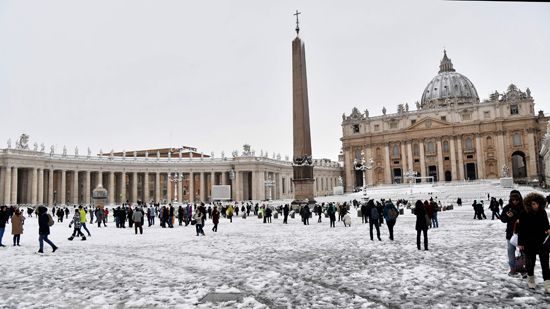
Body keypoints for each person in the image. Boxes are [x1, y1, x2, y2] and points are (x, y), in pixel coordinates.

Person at [518, 193, 550, 293]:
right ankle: (531, 280)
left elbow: (546, 224)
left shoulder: (542, 212)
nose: (536, 206)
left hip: (542, 241)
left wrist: (548, 229)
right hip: (529, 242)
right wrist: (521, 243)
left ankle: (548, 284)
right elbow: (521, 229)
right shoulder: (524, 213)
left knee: (545, 264)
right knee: (530, 263)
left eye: (537, 204)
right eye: (533, 204)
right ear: (529, 204)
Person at [501, 190, 524, 277]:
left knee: (522, 251)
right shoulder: (507, 207)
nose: (515, 201)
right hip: (511, 232)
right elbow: (502, 219)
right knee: (511, 250)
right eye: (513, 199)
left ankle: (522, 268)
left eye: (516, 200)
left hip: (522, 232)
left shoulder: (524, 207)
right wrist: (508, 216)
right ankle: (513, 268)